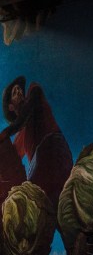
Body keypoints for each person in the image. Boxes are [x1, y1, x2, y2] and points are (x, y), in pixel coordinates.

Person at [0, 76, 73, 208]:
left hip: (53, 150)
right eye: (15, 93)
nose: (20, 92)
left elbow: (23, 117)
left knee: (30, 203)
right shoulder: (21, 135)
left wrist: (5, 134)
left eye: (19, 89)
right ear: (11, 106)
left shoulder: (34, 90)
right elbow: (10, 160)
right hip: (44, 166)